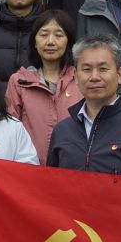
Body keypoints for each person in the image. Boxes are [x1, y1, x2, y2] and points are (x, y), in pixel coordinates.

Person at [44, 36, 121, 176]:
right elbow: (52, 185)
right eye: (87, 69)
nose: (94, 77)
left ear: (120, 74)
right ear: (76, 76)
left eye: (103, 69)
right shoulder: (62, 131)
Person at [6, 9, 77, 164]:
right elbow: (10, 131)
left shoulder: (80, 80)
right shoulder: (19, 81)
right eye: (44, 35)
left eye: (58, 35)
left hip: (72, 169)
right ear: (35, 42)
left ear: (69, 42)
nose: (50, 41)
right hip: (30, 168)